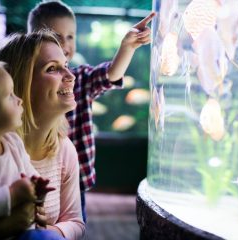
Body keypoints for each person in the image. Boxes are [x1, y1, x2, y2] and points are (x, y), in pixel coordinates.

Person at [27, 0, 155, 221]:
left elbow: (111, 74)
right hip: (34, 182)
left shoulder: (80, 79)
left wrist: (128, 46)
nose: (65, 44)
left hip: (75, 185)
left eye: (71, 36)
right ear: (33, 40)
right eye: (57, 37)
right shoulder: (24, 84)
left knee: (74, 227)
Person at [0, 30, 85, 240]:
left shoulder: (65, 150)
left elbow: (75, 222)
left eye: (66, 66)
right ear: (17, 85)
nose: (71, 76)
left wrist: (47, 233)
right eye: (52, 69)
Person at [0, 59, 60, 239]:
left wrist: (36, 188)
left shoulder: (13, 142)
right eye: (10, 95)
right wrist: (12, 194)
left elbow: (28, 173)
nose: (20, 100)